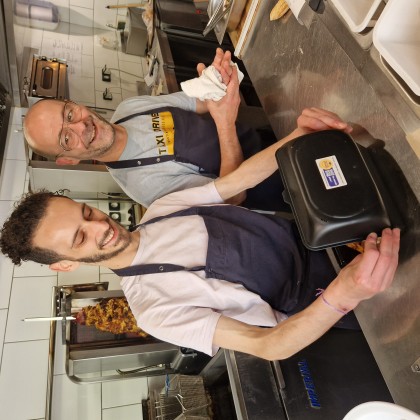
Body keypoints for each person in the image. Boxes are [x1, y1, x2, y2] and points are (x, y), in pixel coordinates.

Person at [1, 108, 400, 360]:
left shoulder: (159, 212)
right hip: (340, 298)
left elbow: (239, 180)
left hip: (334, 237)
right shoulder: (154, 309)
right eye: (80, 239)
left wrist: (297, 136)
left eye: (87, 214)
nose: (100, 227)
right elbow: (268, 345)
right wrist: (344, 295)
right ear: (67, 265)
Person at [23, 48, 283, 210]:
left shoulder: (128, 109)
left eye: (69, 113)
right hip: (280, 184)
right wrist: (225, 124)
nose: (81, 125)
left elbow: (200, 104)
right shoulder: (143, 187)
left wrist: (216, 81)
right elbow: (232, 198)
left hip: (270, 136)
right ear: (68, 160)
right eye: (66, 137)